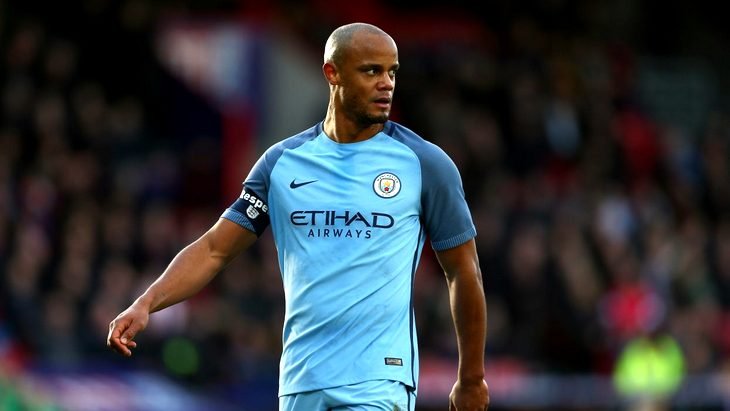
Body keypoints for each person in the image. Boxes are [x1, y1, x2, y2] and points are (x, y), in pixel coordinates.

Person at [107, 22, 489, 411]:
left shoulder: (425, 164)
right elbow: (214, 250)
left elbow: (464, 271)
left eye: (392, 72)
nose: (386, 84)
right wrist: (146, 302)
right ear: (332, 73)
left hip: (378, 380)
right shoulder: (281, 163)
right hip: (300, 381)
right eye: (371, 70)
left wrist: (471, 378)